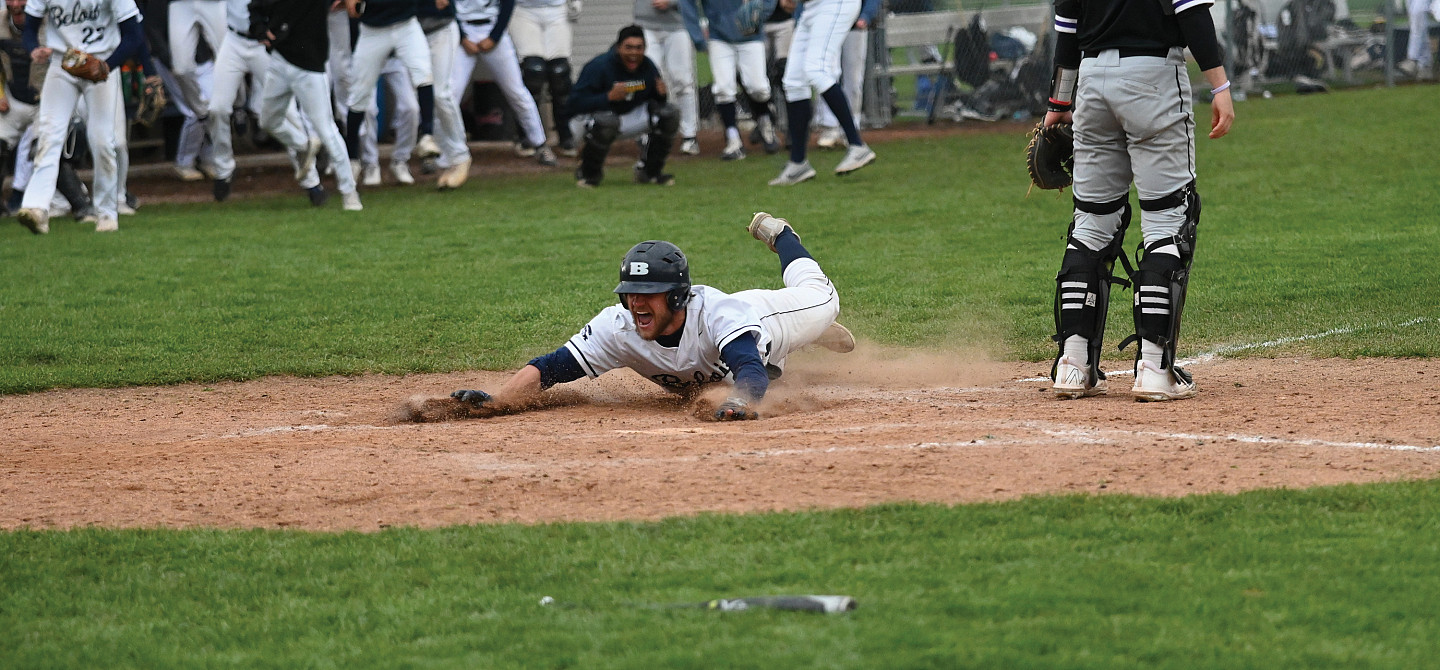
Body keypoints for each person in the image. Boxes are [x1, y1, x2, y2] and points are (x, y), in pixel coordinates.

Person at [450, 212, 857, 421]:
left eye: (650, 294)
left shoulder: (717, 314)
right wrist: (499, 399)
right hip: (741, 345)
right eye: (631, 294)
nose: (637, 304)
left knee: (821, 299)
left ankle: (784, 237)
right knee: (769, 370)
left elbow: (748, 370)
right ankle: (803, 342)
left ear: (678, 297)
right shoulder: (618, 326)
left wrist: (739, 403)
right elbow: (551, 367)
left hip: (766, 320)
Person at [1043, 0, 1234, 401]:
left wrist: (1059, 105)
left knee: (1091, 225)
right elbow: (1192, 14)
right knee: (1167, 224)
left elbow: (1066, 28)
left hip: (1092, 79)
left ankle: (1073, 365)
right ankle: (1153, 369)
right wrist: (1220, 87)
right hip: (1153, 76)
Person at [17, 0, 147, 234]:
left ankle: (107, 213)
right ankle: (37, 208)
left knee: (102, 141)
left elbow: (134, 35)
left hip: (100, 60)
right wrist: (33, 49)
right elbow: (29, 28)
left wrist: (107, 66)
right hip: (62, 63)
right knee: (49, 135)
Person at [251, 0, 362, 211]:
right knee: (268, 121)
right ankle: (303, 145)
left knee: (326, 129)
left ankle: (349, 193)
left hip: (310, 66)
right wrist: (260, 29)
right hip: (279, 61)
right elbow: (255, 9)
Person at [207, 0, 317, 201]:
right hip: (233, 40)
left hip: (264, 43)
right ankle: (224, 170)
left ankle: (311, 181)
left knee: (288, 112)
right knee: (217, 108)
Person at [768, 0, 875, 185]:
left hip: (835, 3)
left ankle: (857, 145)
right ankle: (798, 163)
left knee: (816, 70)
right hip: (812, 8)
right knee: (793, 81)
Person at [340, 0, 442, 182]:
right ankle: (353, 158)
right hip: (373, 30)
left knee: (423, 74)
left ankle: (426, 136)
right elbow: (352, 9)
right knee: (359, 97)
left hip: (406, 25)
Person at [447, 0, 557, 166]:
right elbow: (448, 6)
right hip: (463, 30)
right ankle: (445, 150)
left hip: (492, 29)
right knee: (450, 95)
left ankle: (540, 144)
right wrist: (463, 38)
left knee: (517, 92)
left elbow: (507, 4)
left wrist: (494, 36)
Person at [565, 25, 678, 187]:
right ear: (618, 48)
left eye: (639, 48)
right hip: (590, 120)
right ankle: (588, 174)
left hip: (625, 118)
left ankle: (650, 172)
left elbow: (655, 102)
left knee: (670, 113)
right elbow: (573, 104)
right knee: (607, 121)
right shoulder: (599, 66)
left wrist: (661, 95)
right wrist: (607, 97)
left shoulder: (648, 67)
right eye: (629, 48)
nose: (634, 53)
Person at [690, 0, 780, 160]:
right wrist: (697, 36)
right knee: (723, 89)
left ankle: (765, 119)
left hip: (751, 35)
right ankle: (733, 139)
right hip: (718, 36)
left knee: (758, 88)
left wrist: (761, 13)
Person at [511, 0, 580, 155]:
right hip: (523, 10)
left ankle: (565, 134)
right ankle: (525, 135)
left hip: (557, 10)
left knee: (559, 73)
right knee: (533, 72)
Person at [634, 0, 701, 155]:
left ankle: (689, 135)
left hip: (678, 25)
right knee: (646, 81)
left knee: (682, 80)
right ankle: (645, 131)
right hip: (645, 24)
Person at [812, 0, 877, 150]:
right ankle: (829, 127)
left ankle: (850, 129)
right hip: (828, 24)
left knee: (854, 79)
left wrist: (865, 16)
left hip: (855, 25)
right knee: (826, 74)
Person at [165, 0, 225, 120]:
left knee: (227, 58)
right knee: (181, 69)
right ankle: (202, 113)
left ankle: (238, 105)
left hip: (213, 3)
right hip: (180, 4)